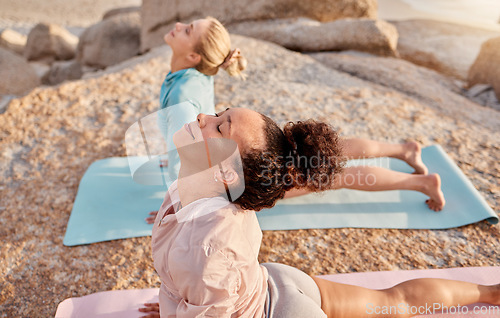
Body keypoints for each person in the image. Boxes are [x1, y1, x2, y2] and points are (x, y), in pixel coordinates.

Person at [139, 108, 498, 317]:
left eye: (220, 125)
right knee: (393, 302)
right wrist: (178, 303)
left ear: (226, 174)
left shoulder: (210, 246)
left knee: (396, 304)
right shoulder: (200, 184)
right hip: (269, 284)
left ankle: (489, 294)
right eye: (219, 116)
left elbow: (204, 267)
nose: (203, 116)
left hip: (281, 310)